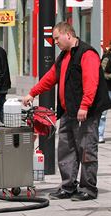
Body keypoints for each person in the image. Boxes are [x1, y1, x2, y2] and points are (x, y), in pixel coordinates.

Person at [22, 22, 111, 201]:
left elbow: (91, 82)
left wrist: (85, 106)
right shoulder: (64, 56)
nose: (54, 42)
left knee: (86, 149)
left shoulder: (87, 53)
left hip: (85, 112)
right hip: (68, 111)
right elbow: (51, 77)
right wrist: (33, 93)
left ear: (68, 35)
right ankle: (68, 186)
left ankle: (88, 188)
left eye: (56, 38)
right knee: (66, 149)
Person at [98, 42, 111, 143]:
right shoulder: (107, 57)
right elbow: (102, 73)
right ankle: (99, 135)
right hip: (108, 88)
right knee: (103, 113)